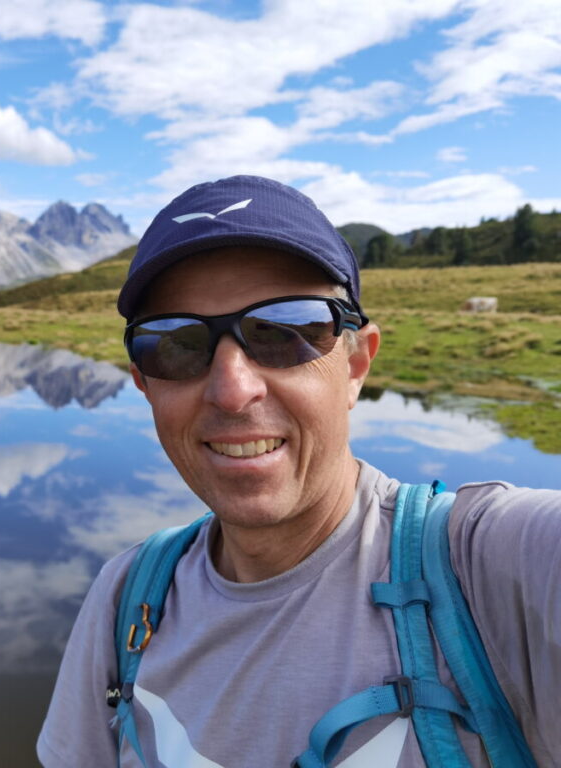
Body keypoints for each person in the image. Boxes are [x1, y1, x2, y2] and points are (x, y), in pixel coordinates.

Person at [37, 175, 560, 767]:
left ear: (357, 363)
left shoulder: (494, 564)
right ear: (145, 384)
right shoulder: (124, 598)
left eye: (287, 331)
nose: (233, 391)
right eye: (175, 343)